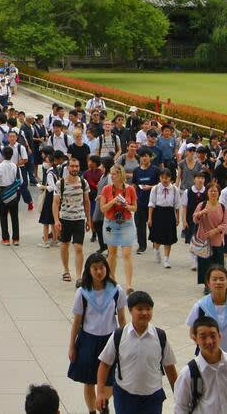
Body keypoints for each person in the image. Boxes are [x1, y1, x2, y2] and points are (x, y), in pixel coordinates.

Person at [95, 290, 178, 414]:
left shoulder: (160, 336)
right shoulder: (119, 335)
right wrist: (100, 393)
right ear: (130, 310)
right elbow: (105, 364)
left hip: (152, 399)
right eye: (139, 309)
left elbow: (170, 368)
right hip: (125, 397)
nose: (144, 313)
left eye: (148, 309)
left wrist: (179, 396)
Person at [67, 253, 127, 414]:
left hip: (110, 340)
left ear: (107, 268)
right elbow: (77, 322)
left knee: (110, 380)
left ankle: (102, 404)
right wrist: (72, 346)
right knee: (89, 380)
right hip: (88, 341)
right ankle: (92, 411)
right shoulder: (82, 292)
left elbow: (122, 318)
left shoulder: (116, 290)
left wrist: (125, 341)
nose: (99, 271)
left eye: (102, 267)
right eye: (95, 268)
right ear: (89, 270)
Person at [172, 316, 227, 414]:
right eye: (203, 337)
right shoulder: (188, 374)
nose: (209, 341)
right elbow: (180, 409)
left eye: (213, 335)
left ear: (219, 336)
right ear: (195, 339)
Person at [185, 265, 227, 359]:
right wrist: (205, 346)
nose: (218, 282)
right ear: (208, 283)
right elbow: (192, 333)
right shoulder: (200, 306)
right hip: (207, 357)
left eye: (222, 279)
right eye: (214, 279)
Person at [100, 164, 139, 291]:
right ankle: (112, 279)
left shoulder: (130, 189)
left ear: (120, 175)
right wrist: (113, 201)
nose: (111, 176)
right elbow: (103, 209)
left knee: (127, 254)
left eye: (114, 174)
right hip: (110, 223)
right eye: (111, 174)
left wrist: (127, 206)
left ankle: (129, 284)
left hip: (126, 223)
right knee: (112, 253)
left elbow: (135, 207)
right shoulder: (106, 189)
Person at [53, 155, 89, 283]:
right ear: (67, 167)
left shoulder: (83, 183)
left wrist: (88, 219)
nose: (75, 169)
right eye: (72, 166)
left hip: (79, 219)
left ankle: (79, 276)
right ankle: (66, 270)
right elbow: (55, 203)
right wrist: (56, 220)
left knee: (78, 247)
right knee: (64, 245)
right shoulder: (60, 183)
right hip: (65, 219)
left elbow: (86, 202)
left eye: (77, 166)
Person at [193, 177, 227, 292]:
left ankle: (219, 284)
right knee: (205, 265)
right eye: (211, 191)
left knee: (217, 265)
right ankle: (207, 286)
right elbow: (194, 219)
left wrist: (216, 230)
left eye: (215, 191)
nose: (213, 193)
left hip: (217, 241)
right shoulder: (202, 205)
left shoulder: (223, 207)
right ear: (207, 192)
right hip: (203, 240)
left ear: (219, 193)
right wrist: (201, 213)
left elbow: (225, 224)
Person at [147, 166, 180, 268]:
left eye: (166, 177)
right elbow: (151, 204)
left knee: (168, 238)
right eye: (162, 177)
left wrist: (177, 218)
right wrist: (150, 218)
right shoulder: (155, 188)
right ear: (160, 178)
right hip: (158, 213)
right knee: (157, 238)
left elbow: (177, 205)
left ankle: (166, 259)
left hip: (169, 213)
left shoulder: (174, 189)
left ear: (170, 178)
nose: (164, 180)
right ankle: (156, 249)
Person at [0, 145, 22, 246]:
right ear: (12, 155)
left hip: (3, 192)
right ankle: (16, 239)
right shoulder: (15, 166)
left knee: (3, 216)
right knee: (14, 216)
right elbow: (21, 181)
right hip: (13, 193)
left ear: (2, 155)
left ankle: (5, 239)